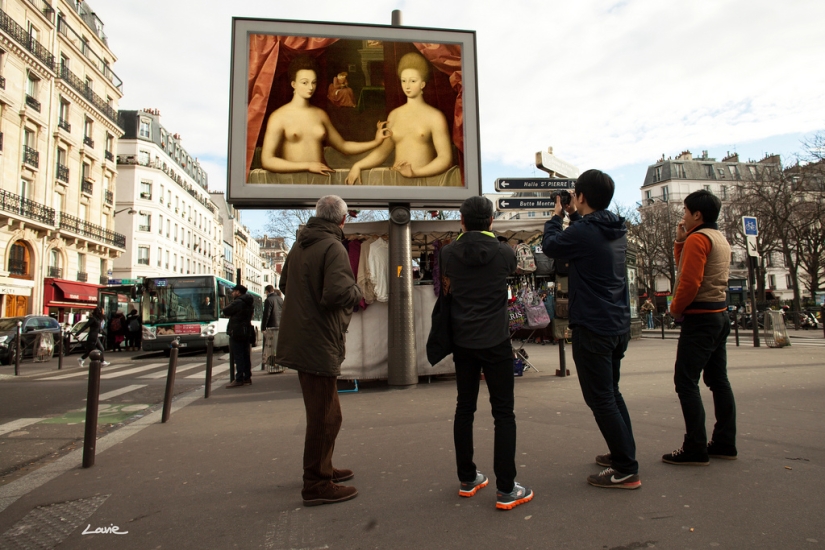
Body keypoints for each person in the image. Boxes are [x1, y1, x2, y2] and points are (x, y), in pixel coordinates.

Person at [542, 169, 640, 490]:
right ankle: (622, 453)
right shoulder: (616, 228)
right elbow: (586, 234)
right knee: (611, 392)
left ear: (581, 196)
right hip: (616, 324)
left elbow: (552, 246)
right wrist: (574, 214)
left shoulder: (583, 231)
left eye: (575, 194)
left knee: (600, 398)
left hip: (593, 326)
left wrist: (557, 217)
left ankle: (626, 467)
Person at [439, 196, 533, 510]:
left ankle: (468, 478)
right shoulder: (505, 253)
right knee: (503, 413)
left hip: (463, 342)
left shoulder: (448, 254)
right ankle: (507, 488)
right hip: (496, 342)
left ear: (462, 221)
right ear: (491, 221)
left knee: (464, 409)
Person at [275, 195, 362, 507]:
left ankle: (323, 469)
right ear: (342, 219)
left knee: (329, 414)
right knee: (323, 417)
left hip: (303, 336)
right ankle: (316, 483)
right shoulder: (333, 247)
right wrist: (357, 289)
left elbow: (285, 284)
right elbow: (339, 293)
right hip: (318, 339)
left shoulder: (300, 245)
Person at [662, 190, 737, 465]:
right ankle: (725, 442)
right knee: (719, 380)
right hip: (719, 315)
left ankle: (695, 446)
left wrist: (675, 309)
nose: (683, 217)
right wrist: (680, 243)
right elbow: (688, 268)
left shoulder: (698, 239)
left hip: (700, 318)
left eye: (685, 212)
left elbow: (689, 281)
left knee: (685, 381)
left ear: (697, 215)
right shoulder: (719, 238)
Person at [260, 55, 389, 175]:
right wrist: (308, 166)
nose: (310, 87)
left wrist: (376, 142)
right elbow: (267, 160)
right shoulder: (279, 116)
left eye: (314, 82)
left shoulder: (320, 114)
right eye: (304, 82)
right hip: (294, 182)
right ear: (293, 84)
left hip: (322, 179)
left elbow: (343, 146)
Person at [346, 52, 453, 184]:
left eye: (413, 81)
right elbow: (382, 153)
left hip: (423, 182)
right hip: (396, 181)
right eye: (404, 81)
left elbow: (445, 159)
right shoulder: (394, 115)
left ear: (423, 84)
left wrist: (415, 173)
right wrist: (358, 165)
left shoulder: (435, 117)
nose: (407, 86)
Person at [223, 285, 254, 388]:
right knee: (245, 355)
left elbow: (226, 311)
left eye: (234, 291)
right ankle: (247, 377)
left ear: (238, 292)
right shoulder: (249, 302)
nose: (232, 293)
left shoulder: (238, 302)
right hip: (246, 331)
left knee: (238, 356)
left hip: (237, 331)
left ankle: (239, 378)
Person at [261, 285, 284, 370]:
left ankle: (273, 364)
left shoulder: (268, 300)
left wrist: (263, 327)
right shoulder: (280, 299)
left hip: (272, 326)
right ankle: (279, 364)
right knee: (277, 347)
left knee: (271, 347)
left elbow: (266, 315)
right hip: (280, 326)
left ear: (267, 291)